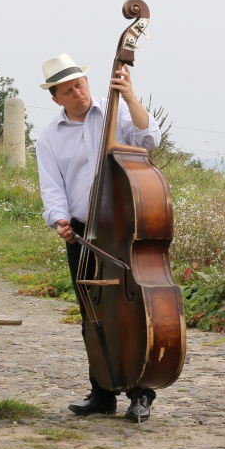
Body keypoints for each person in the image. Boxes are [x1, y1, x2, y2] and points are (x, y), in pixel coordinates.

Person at [36, 53, 162, 422]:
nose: (79, 93)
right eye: (69, 90)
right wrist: (58, 220)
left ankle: (141, 391)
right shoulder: (49, 136)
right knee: (92, 314)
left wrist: (132, 98)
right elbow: (52, 188)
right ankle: (103, 390)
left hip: (126, 228)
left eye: (81, 84)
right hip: (83, 233)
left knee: (137, 308)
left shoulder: (115, 110)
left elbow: (149, 138)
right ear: (56, 98)